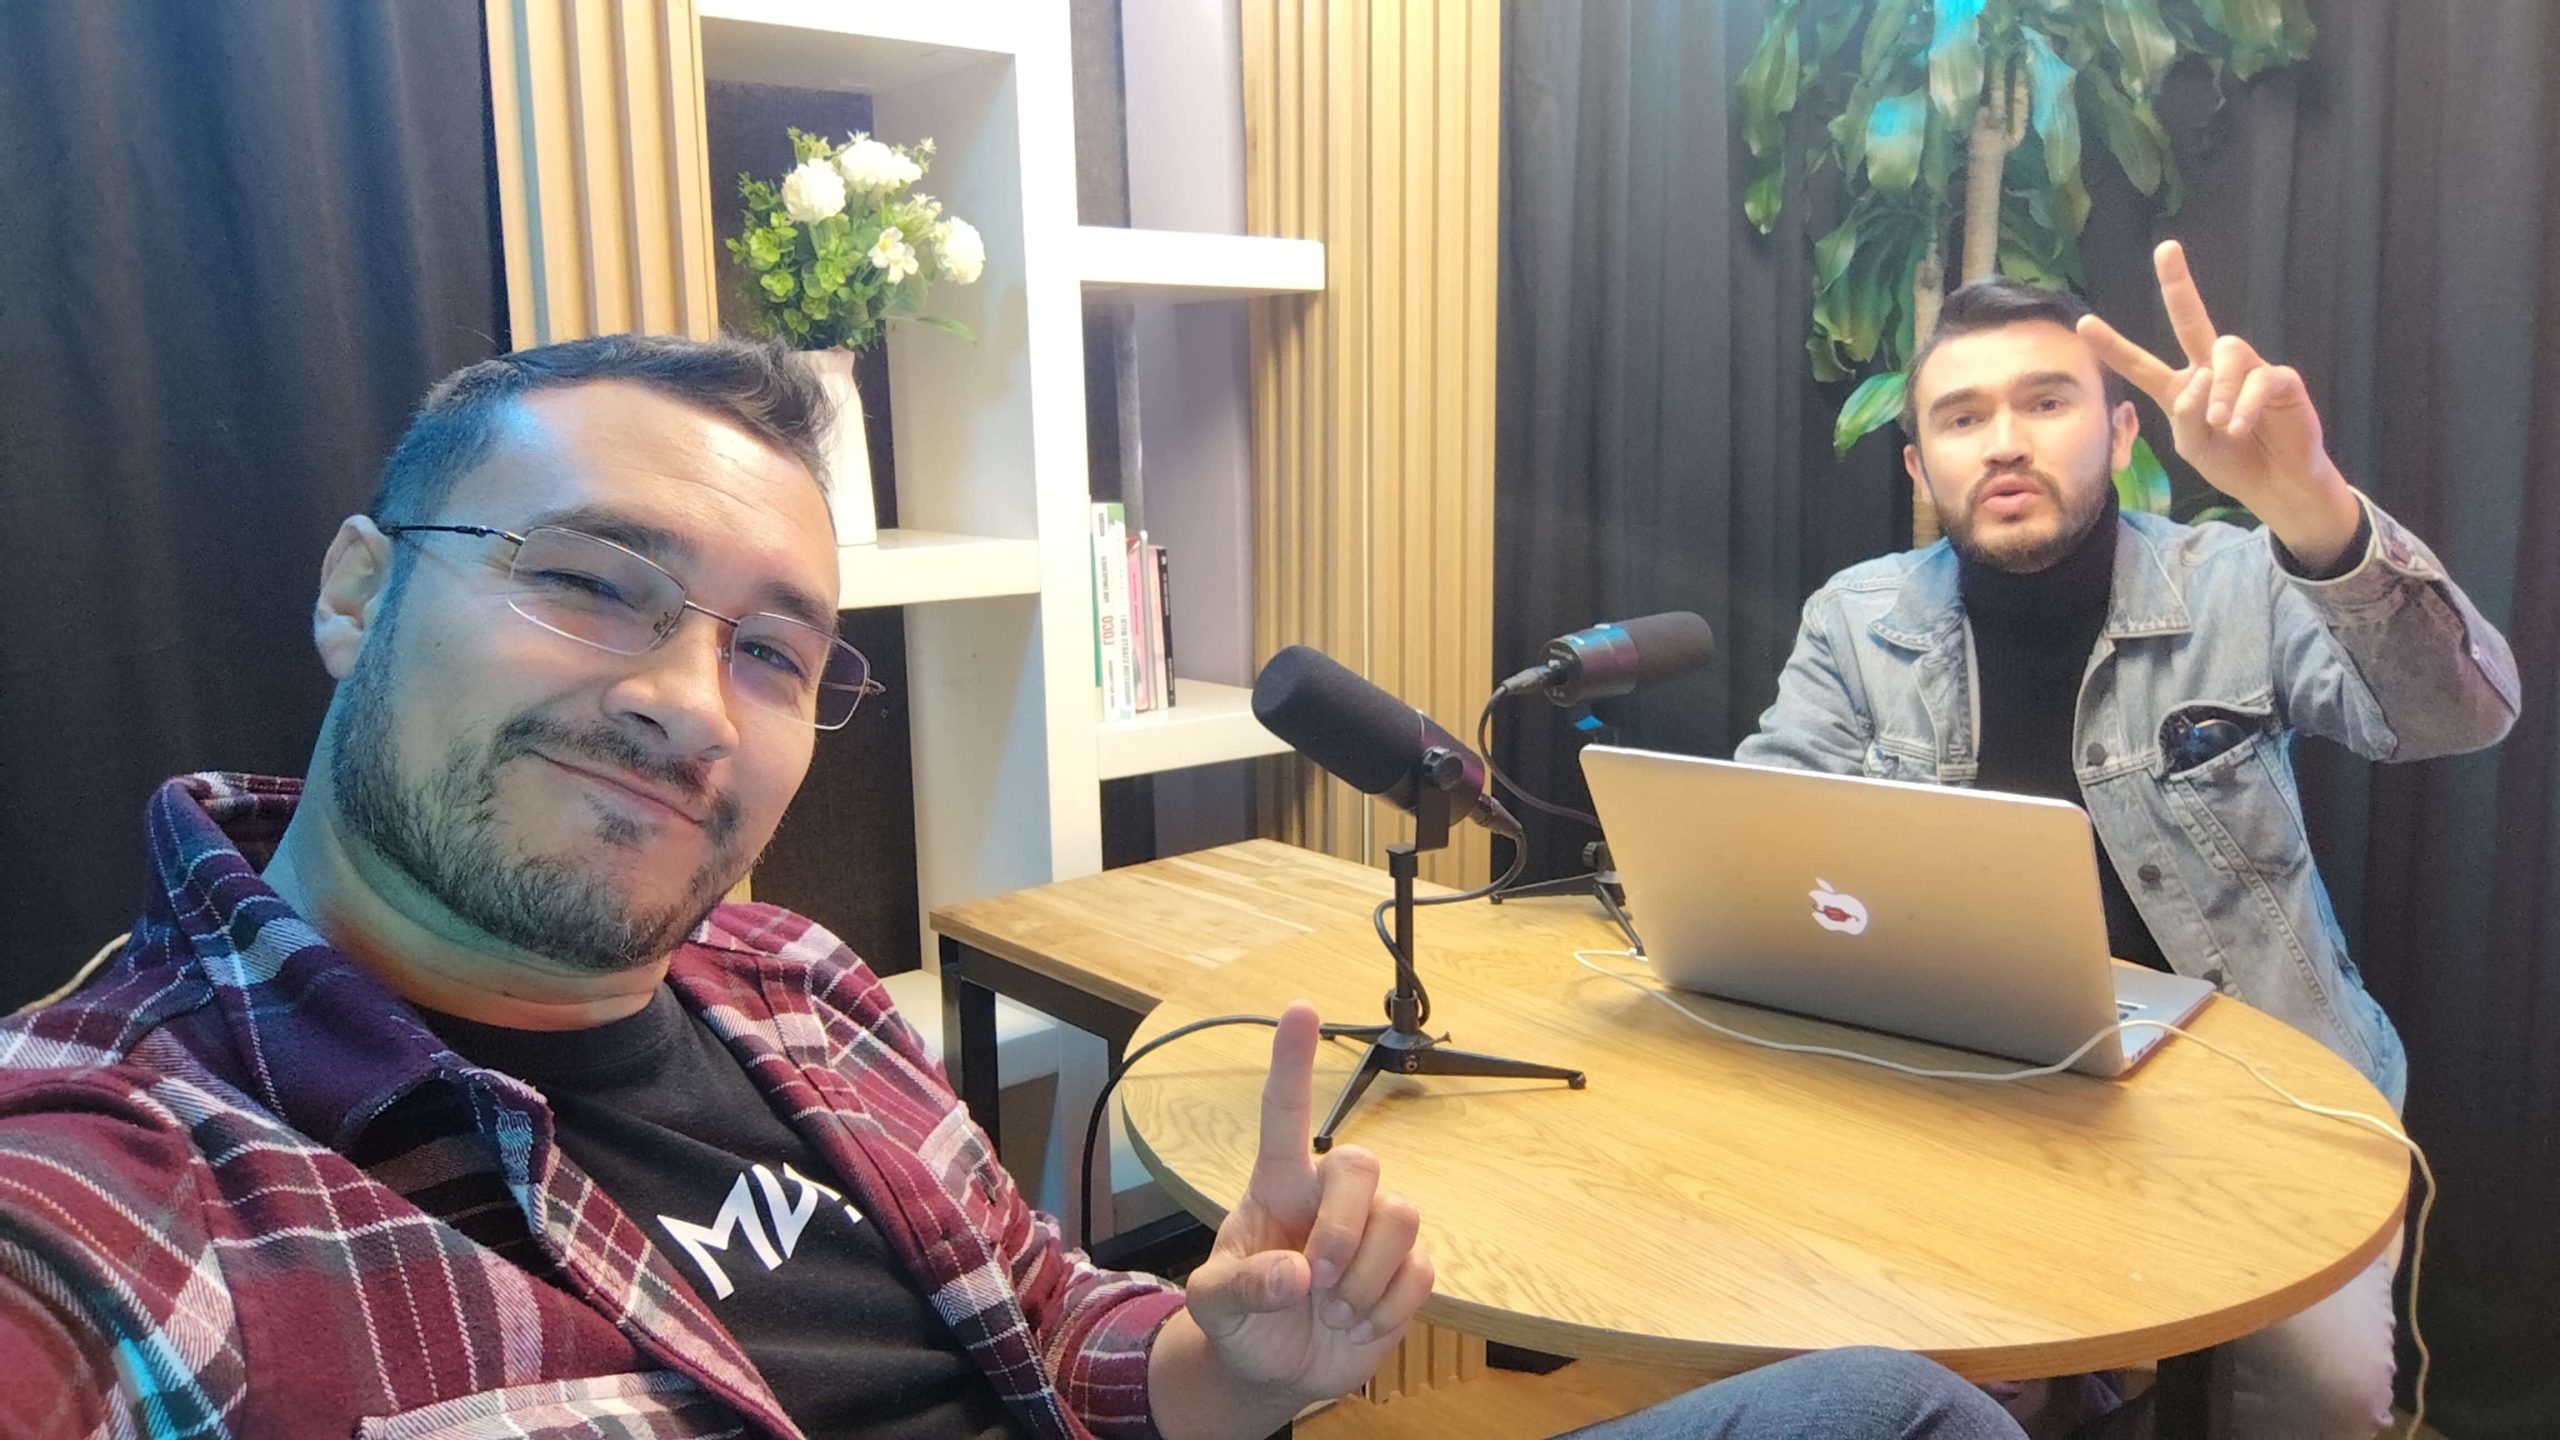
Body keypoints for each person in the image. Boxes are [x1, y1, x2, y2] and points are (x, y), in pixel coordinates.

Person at [0, 335, 2023, 1439]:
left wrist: (1227, 1363)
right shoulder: (115, 1183)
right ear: (358, 590)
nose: (686, 704)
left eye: (772, 651)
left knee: (1892, 1408)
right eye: (594, 583)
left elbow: (1052, 1329)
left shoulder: (788, 981)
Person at [1737, 243, 2520, 1437]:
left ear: (2117, 433)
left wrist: (2311, 505)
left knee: (2322, 1398)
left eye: (2045, 402)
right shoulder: (1858, 619)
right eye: (1961, 417)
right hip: (1972, 1097)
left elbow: (2458, 713)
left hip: (2262, 1104)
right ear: (1919, 464)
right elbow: (1766, 829)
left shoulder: (2238, 581)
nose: (2004, 442)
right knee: (1910, 1386)